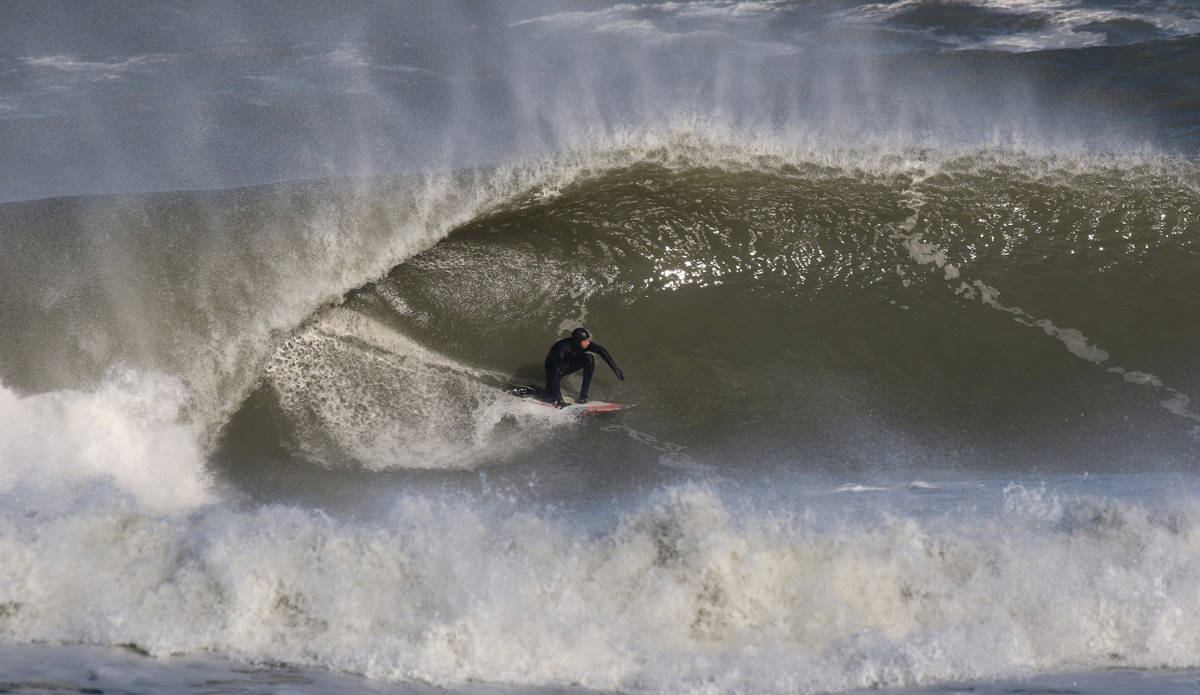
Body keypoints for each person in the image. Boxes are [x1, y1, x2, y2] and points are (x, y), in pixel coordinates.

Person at [543, 327, 624, 408]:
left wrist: (615, 368)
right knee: (550, 397)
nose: (588, 343)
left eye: (588, 340)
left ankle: (583, 396)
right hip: (552, 370)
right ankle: (533, 390)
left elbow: (601, 350)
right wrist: (560, 401)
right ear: (578, 341)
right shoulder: (561, 350)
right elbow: (554, 376)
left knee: (589, 358)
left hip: (567, 366)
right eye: (585, 341)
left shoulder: (582, 345)